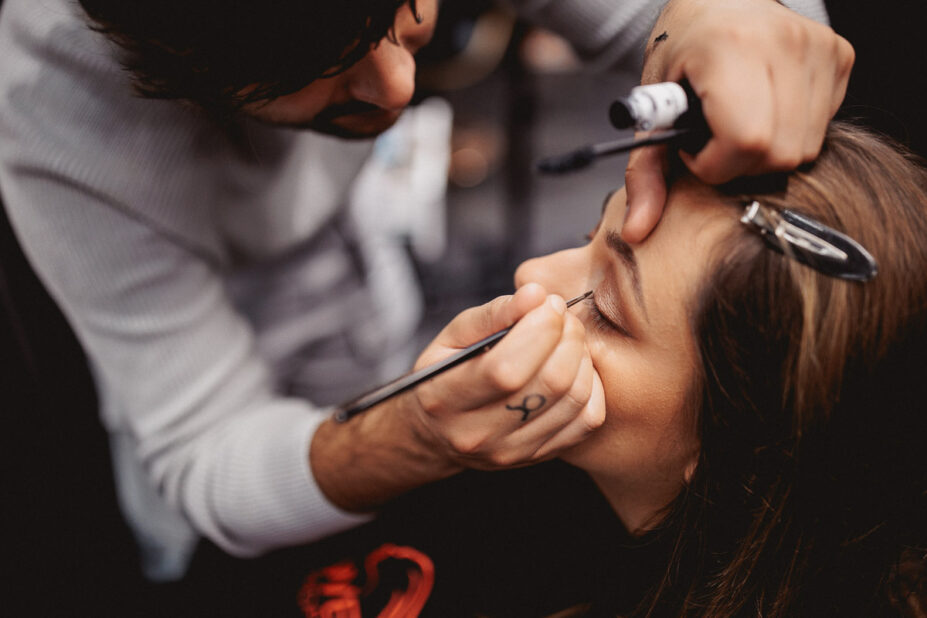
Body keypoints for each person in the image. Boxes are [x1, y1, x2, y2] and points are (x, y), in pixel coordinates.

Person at [0, 0, 851, 586]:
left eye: (403, 11)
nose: (399, 91)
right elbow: (204, 455)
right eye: (322, 72)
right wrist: (410, 434)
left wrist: (737, 25)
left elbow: (728, 39)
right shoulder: (57, 120)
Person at [294, 121, 927, 617]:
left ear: (741, 453)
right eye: (592, 230)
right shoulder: (500, 477)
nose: (532, 276)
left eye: (605, 306)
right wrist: (404, 437)